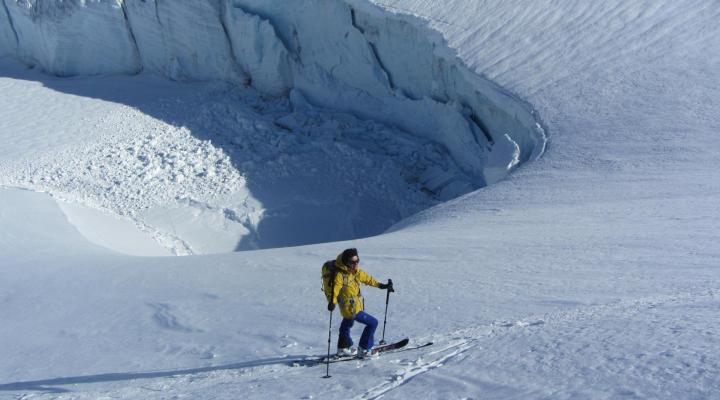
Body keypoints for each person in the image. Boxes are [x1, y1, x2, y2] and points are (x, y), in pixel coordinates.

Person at [327, 248, 393, 358]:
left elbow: (368, 279)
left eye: (357, 261)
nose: (355, 264)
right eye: (352, 262)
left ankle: (343, 348)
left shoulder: (356, 272)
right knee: (373, 323)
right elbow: (335, 289)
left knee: (347, 324)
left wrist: (382, 285)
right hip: (350, 308)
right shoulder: (340, 275)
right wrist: (332, 302)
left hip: (351, 307)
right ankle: (364, 349)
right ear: (345, 262)